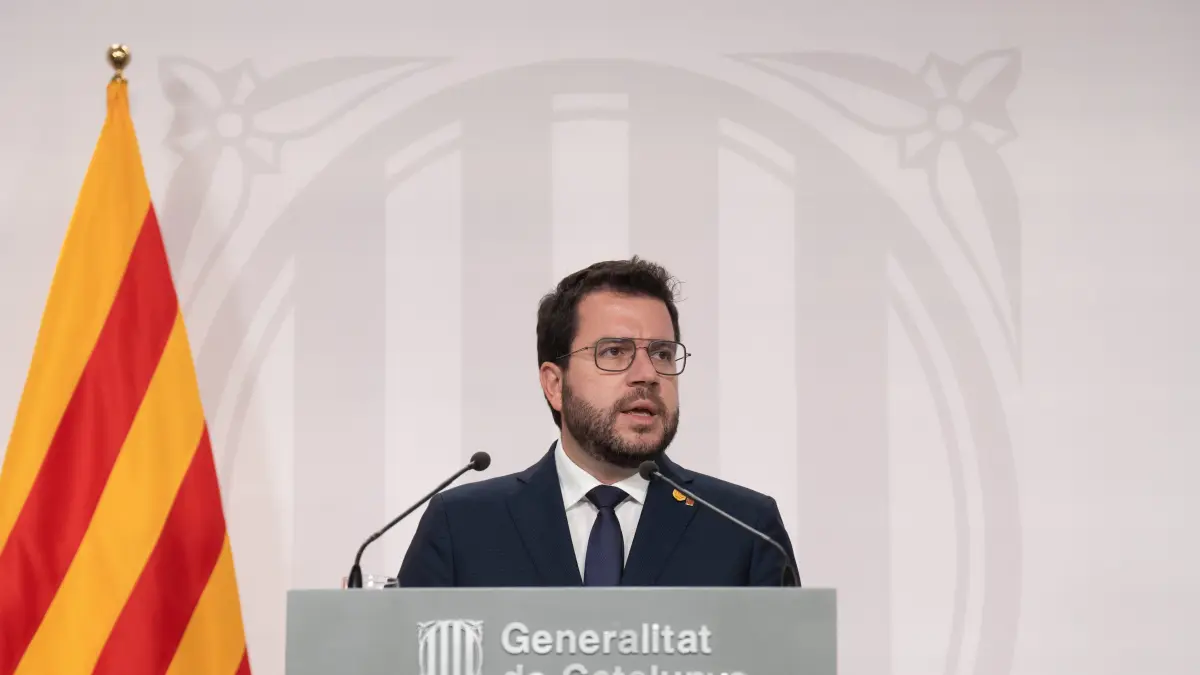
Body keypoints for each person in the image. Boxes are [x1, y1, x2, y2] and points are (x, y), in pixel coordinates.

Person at [397, 257, 799, 587]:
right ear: (555, 384)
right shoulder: (462, 526)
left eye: (662, 354)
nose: (648, 374)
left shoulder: (745, 529)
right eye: (614, 352)